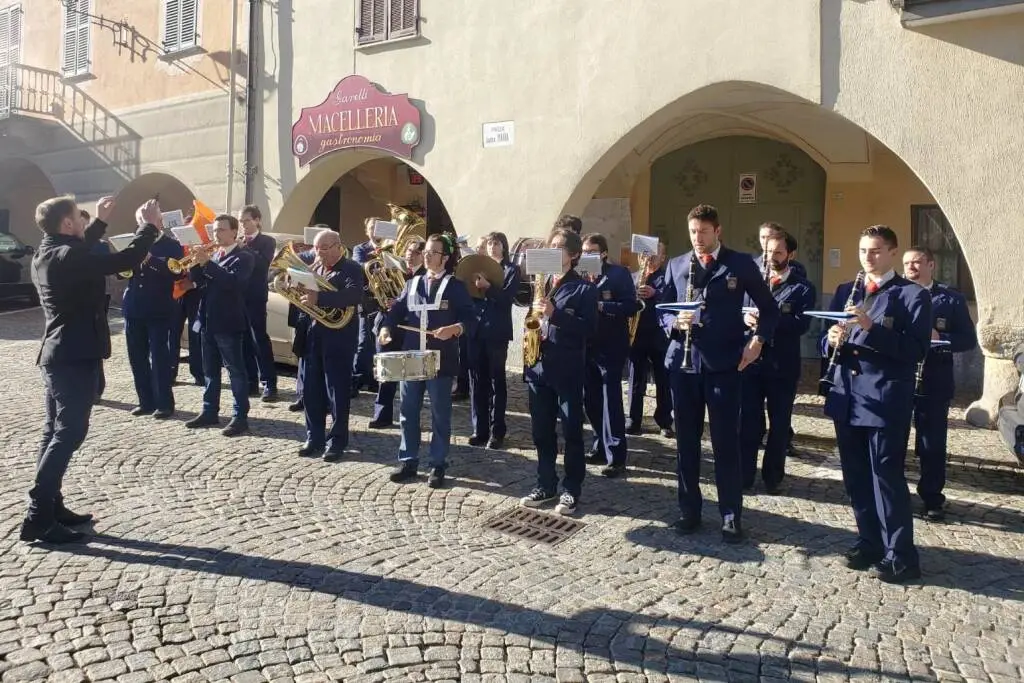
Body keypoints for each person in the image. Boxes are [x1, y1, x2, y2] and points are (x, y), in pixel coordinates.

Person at [23, 195, 161, 544]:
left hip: (60, 354)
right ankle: (38, 516)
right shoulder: (69, 256)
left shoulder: (48, 251)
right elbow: (126, 258)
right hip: (73, 356)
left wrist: (100, 221)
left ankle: (51, 506)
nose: (83, 224)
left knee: (54, 432)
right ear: (68, 224)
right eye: (78, 219)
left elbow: (80, 250)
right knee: (68, 434)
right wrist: (150, 227)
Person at [660, 204, 779, 543]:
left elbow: (768, 311)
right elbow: (661, 310)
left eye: (704, 232)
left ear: (718, 231)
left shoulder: (739, 264)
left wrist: (756, 342)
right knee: (686, 442)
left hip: (724, 365)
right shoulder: (677, 264)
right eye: (693, 232)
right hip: (683, 366)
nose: (698, 238)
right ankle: (689, 510)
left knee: (726, 443)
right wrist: (672, 323)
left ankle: (730, 515)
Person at [822, 225, 931, 583]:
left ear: (892, 253)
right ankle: (868, 540)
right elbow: (830, 341)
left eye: (876, 251)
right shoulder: (844, 291)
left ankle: (901, 556)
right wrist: (831, 338)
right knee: (855, 476)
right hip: (848, 397)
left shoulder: (911, 295)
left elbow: (915, 350)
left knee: (886, 476)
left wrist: (870, 327)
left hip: (885, 399)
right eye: (863, 250)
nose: (868, 257)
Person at [379, 234, 474, 488]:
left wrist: (454, 328)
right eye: (426, 252)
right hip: (412, 357)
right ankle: (408, 460)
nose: (427, 256)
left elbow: (471, 320)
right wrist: (386, 329)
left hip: (440, 360)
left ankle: (437, 464)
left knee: (439, 414)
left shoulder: (456, 286)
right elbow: (397, 311)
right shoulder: (412, 283)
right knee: (408, 412)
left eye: (433, 252)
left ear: (445, 257)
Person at [520, 227, 598, 515]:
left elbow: (589, 330)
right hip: (539, 369)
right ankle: (545, 484)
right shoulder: (540, 283)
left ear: (574, 255)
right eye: (551, 245)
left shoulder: (584, 289)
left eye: (560, 247)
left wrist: (556, 314)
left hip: (567, 370)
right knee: (541, 432)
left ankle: (571, 489)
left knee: (572, 432)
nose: (553, 250)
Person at [902, 245, 977, 521]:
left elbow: (968, 340)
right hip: (899, 378)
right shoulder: (895, 294)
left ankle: (932, 498)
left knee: (932, 444)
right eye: (907, 263)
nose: (911, 267)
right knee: (894, 440)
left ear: (931, 265)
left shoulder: (951, 299)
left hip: (935, 380)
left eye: (917, 262)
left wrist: (940, 340)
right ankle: (894, 494)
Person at [738, 232, 815, 494]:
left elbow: (801, 325)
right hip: (751, 361)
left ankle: (773, 477)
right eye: (769, 252)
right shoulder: (753, 282)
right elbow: (737, 310)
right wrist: (745, 319)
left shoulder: (803, 288)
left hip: (782, 364)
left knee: (779, 424)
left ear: (791, 255)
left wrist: (768, 319)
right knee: (747, 421)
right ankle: (744, 475)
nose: (771, 257)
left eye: (778, 253)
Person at [294, 230, 365, 460]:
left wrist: (320, 299)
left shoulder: (351, 268)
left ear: (338, 246)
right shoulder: (315, 268)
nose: (319, 253)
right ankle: (313, 437)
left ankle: (336, 441)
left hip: (339, 337)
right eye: (316, 248)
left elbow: (354, 296)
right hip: (313, 334)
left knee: (337, 391)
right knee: (311, 390)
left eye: (324, 248)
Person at [185, 214, 255, 437]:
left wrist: (207, 263)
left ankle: (240, 416)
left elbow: (233, 283)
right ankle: (209, 410)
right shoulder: (214, 255)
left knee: (235, 371)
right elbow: (200, 283)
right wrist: (195, 263)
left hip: (229, 321)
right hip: (207, 319)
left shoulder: (244, 256)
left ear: (234, 232)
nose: (217, 235)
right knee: (209, 371)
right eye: (215, 231)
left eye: (222, 230)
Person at [582, 233, 639, 477]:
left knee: (611, 401)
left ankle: (616, 456)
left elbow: (631, 305)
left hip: (611, 346)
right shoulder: (580, 275)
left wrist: (602, 306)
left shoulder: (618, 274)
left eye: (592, 251)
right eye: (584, 251)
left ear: (603, 253)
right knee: (591, 400)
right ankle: (599, 445)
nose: (587, 256)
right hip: (586, 346)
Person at [121, 209, 184, 419]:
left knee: (159, 358)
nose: (143, 224)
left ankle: (164, 403)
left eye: (147, 220)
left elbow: (177, 272)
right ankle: (145, 401)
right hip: (134, 306)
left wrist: (151, 258)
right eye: (140, 220)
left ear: (159, 222)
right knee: (136, 357)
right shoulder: (134, 243)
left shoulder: (172, 245)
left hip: (159, 308)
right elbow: (121, 272)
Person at [467, 231, 519, 449]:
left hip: (497, 332)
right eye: (489, 243)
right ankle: (479, 429)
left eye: (496, 243)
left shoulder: (511, 270)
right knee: (477, 381)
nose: (492, 247)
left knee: (497, 381)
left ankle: (497, 431)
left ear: (504, 247)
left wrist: (489, 288)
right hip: (476, 331)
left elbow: (508, 299)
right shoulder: (478, 269)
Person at [369, 237, 426, 429]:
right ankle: (381, 415)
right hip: (388, 326)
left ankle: (409, 417)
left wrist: (400, 305)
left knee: (410, 378)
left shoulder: (426, 276)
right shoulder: (393, 270)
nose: (410, 255)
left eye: (416, 252)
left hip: (410, 329)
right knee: (386, 373)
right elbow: (376, 293)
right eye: (409, 251)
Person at [626, 242, 673, 438]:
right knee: (636, 378)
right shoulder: (632, 277)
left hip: (660, 336)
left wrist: (656, 293)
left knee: (663, 380)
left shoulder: (668, 277)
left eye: (655, 255)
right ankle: (633, 419)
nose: (649, 259)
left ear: (663, 258)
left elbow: (673, 299)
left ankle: (664, 421)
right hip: (637, 335)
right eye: (646, 255)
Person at [239, 205, 279, 402]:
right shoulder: (239, 242)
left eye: (246, 220)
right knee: (244, 339)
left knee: (259, 339)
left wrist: (244, 248)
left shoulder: (267, 241)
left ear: (257, 220)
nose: (243, 225)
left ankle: (269, 383)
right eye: (241, 221)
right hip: (239, 297)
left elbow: (263, 265)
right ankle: (250, 382)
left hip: (256, 296)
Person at [352, 217, 383, 395]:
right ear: (367, 231)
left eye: (378, 227)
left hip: (384, 300)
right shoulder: (360, 248)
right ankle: (355, 379)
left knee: (380, 341)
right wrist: (377, 262)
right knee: (364, 342)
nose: (375, 230)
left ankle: (374, 380)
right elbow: (358, 266)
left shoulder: (391, 247)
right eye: (372, 227)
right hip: (367, 299)